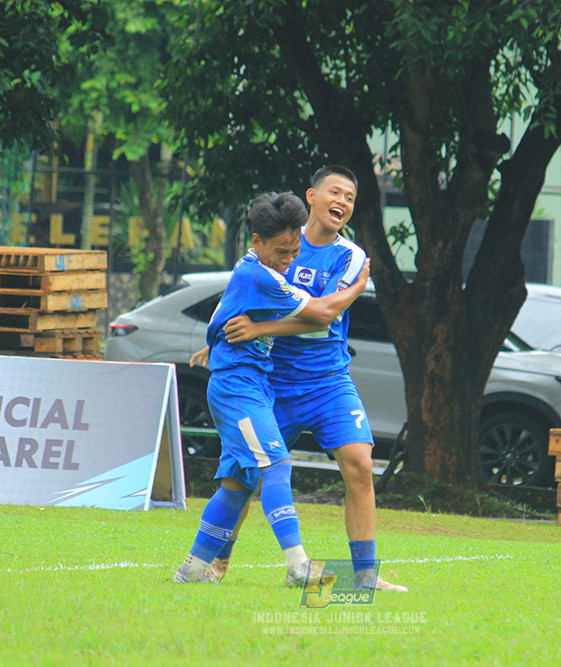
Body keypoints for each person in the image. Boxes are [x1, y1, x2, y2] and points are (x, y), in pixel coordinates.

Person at [196, 165, 407, 592]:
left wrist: (259, 328)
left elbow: (323, 318)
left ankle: (364, 575)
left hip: (328, 380)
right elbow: (241, 297)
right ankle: (215, 562)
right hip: (271, 378)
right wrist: (217, 340)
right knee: (243, 476)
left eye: (349, 197)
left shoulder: (351, 257)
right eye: (335, 192)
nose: (342, 202)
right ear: (312, 196)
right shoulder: (278, 243)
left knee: (360, 464)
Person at [174, 190, 370, 585]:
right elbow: (320, 313)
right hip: (238, 389)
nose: (289, 260)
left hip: (255, 383)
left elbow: (227, 314)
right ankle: (298, 566)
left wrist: (217, 344)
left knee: (238, 485)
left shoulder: (257, 269)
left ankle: (192, 571)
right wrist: (357, 287)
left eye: (294, 251)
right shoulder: (262, 276)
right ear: (257, 242)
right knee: (277, 464)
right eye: (281, 252)